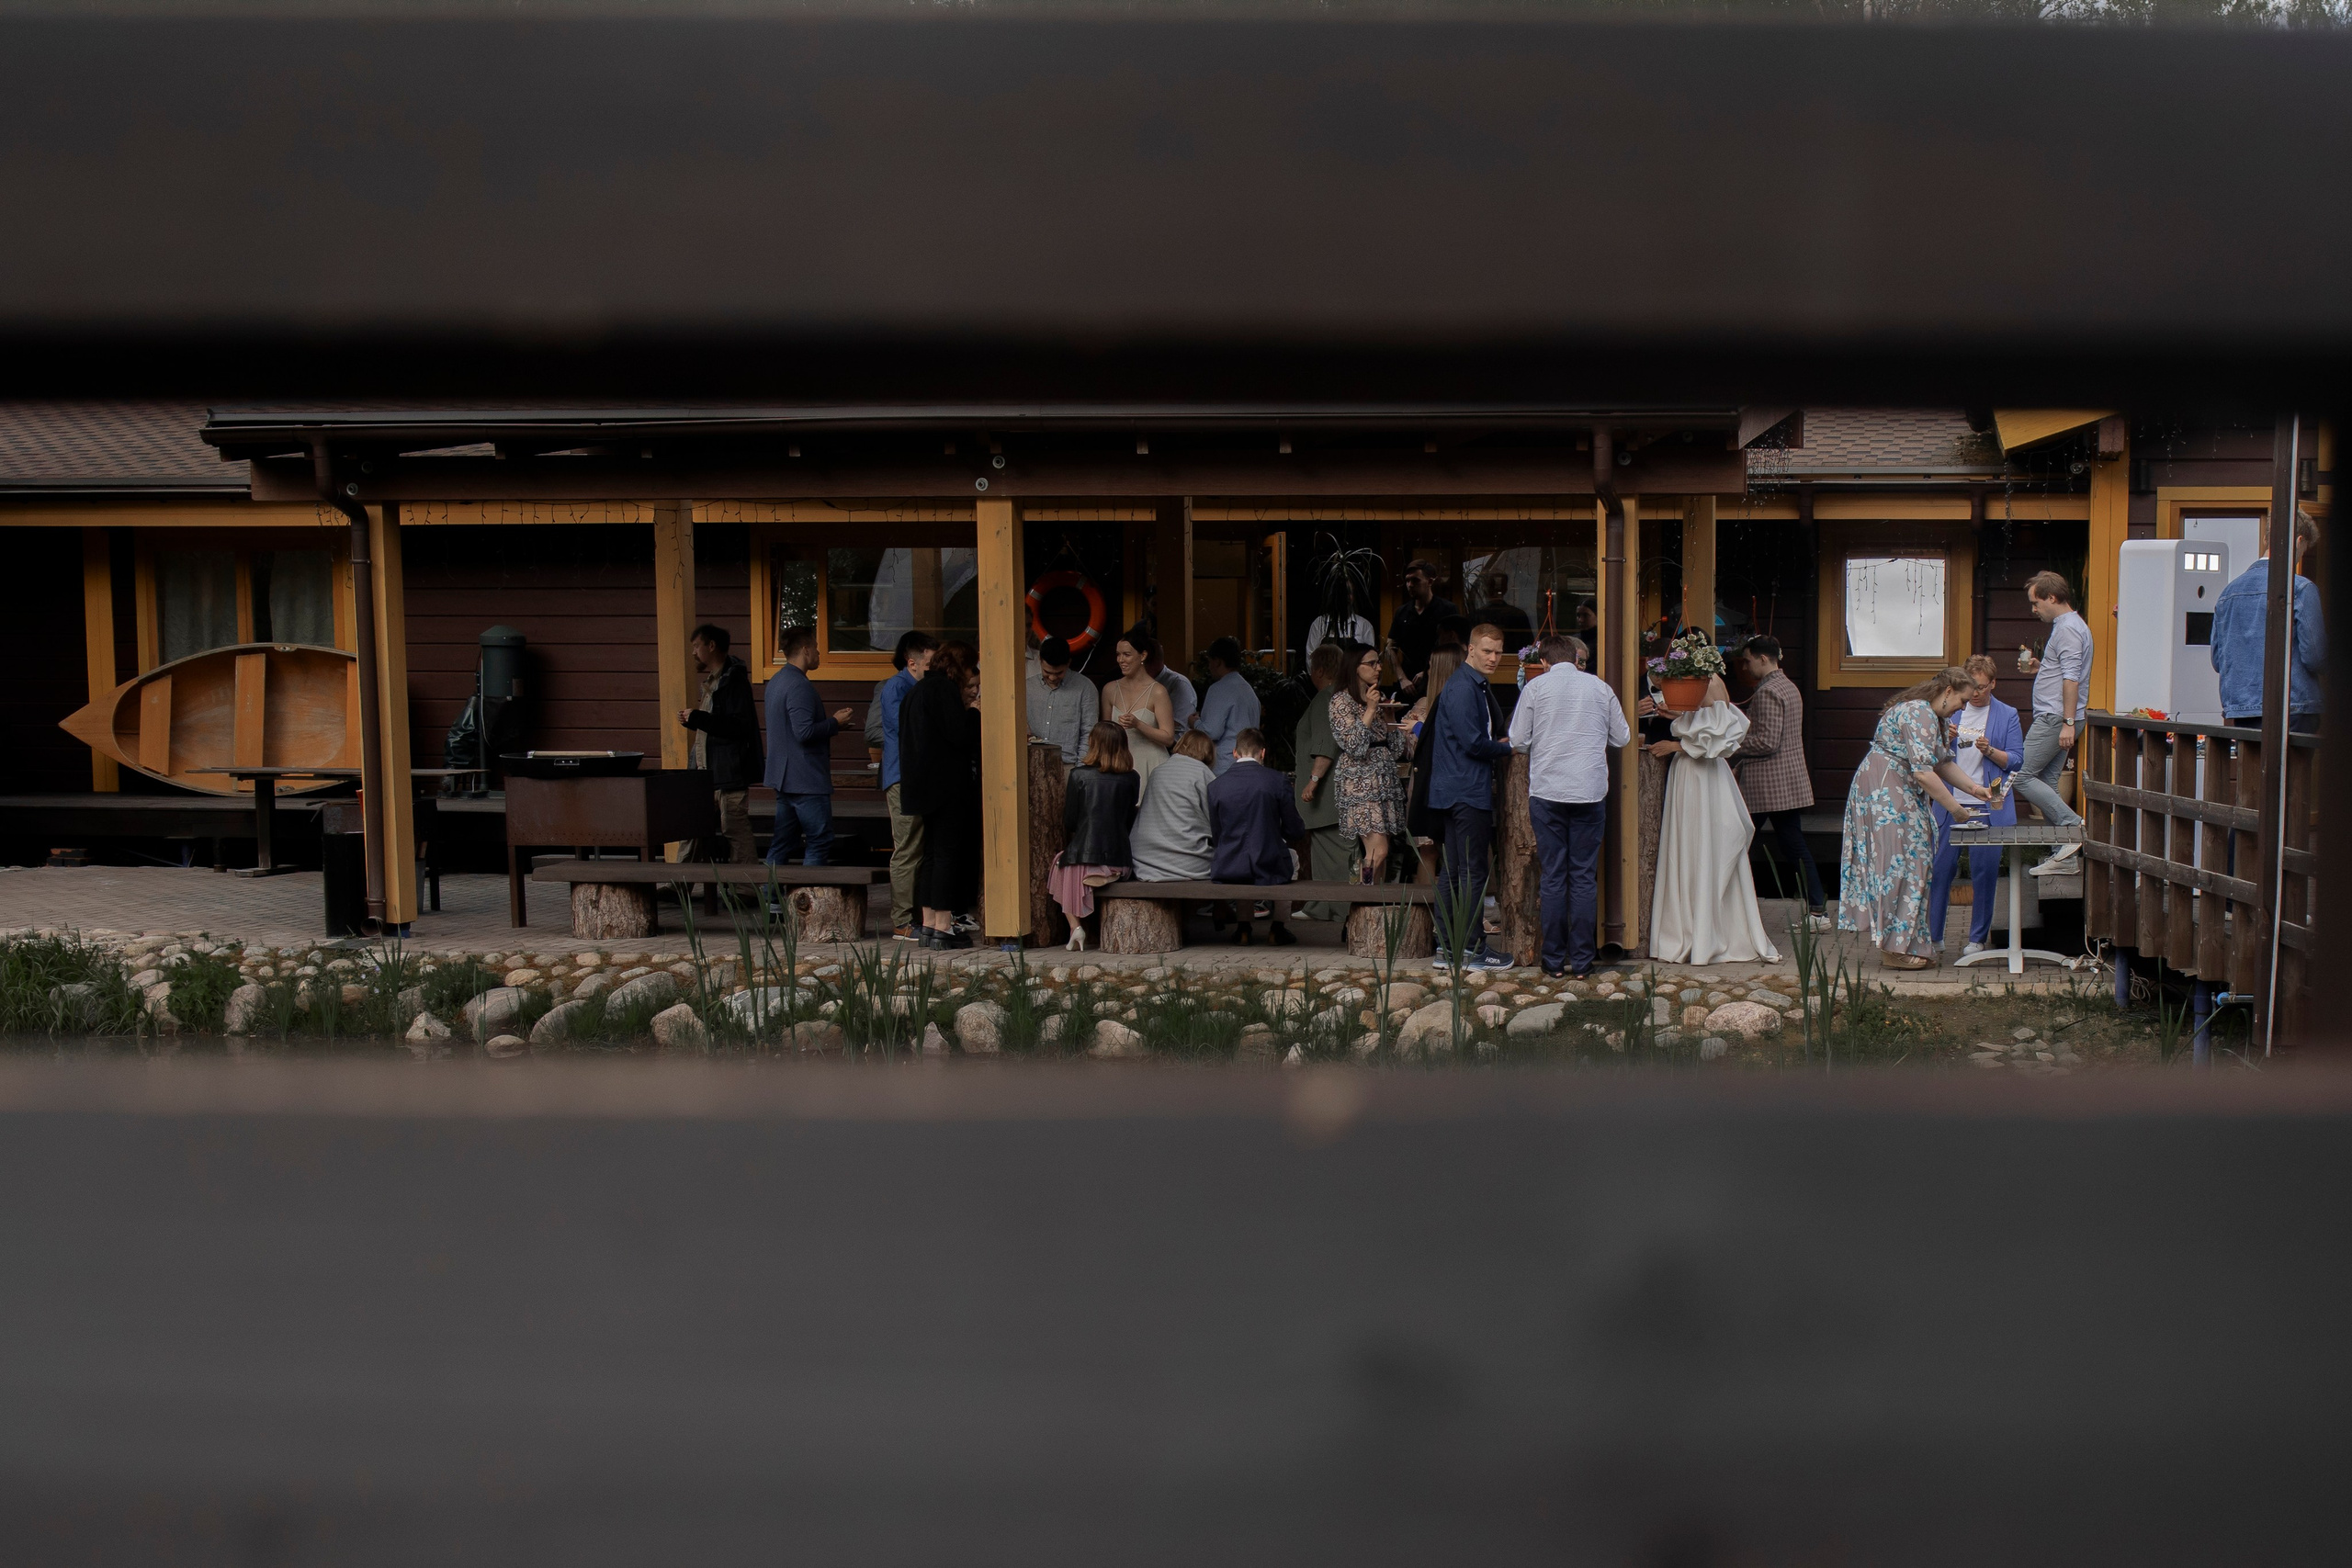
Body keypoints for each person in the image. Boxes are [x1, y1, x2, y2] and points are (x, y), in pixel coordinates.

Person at [1838, 667, 1996, 970]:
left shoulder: (1935, 716)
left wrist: (1976, 790)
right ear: (1948, 691)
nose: (1965, 706)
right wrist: (1955, 809)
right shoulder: (1918, 712)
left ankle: (1905, 943)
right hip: (1885, 790)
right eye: (1963, 700)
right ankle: (1893, 949)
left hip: (1898, 787)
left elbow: (1942, 763)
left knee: (1916, 861)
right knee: (1899, 864)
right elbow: (1924, 772)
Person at [1509, 634, 1628, 978]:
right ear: (1576, 658)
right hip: (1589, 793)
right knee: (1583, 877)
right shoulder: (1600, 688)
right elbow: (1621, 737)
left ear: (1543, 662)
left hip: (1548, 792)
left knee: (1554, 877)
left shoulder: (1535, 689)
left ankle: (1552, 961)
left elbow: (1518, 740)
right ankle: (1583, 961)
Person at [1644, 672, 1781, 965]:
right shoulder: (1695, 683)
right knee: (1693, 845)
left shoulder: (1708, 681)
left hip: (1700, 774)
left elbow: (1717, 737)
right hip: (1694, 775)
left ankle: (1703, 933)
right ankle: (1694, 928)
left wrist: (1677, 746)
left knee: (1704, 844)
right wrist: (1675, 714)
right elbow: (1704, 723)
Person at [1424, 624, 1516, 970]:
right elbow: (1473, 743)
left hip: (1456, 789)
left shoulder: (1470, 683)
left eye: (1498, 651)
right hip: (1465, 790)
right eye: (1487, 651)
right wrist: (1508, 749)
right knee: (1470, 873)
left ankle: (1448, 948)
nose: (1493, 658)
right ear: (1470, 649)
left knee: (1454, 872)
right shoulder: (1464, 687)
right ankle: (1473, 949)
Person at [1724, 635, 1829, 931]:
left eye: (1747, 661)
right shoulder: (1788, 687)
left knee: (1738, 841)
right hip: (1786, 781)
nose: (1745, 667)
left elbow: (1767, 742)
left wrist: (1730, 747)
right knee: (1791, 844)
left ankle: (1727, 908)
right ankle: (1818, 910)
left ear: (1762, 659)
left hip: (1769, 784)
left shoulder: (1767, 692)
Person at [1928, 654, 2024, 957]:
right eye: (1972, 687)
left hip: (1989, 804)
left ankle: (1977, 939)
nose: (1976, 693)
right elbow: (1928, 757)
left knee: (1985, 873)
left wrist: (1990, 750)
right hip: (1949, 802)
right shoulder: (1950, 710)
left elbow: (2017, 760)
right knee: (1941, 869)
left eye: (1982, 687)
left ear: (1993, 684)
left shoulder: (2007, 714)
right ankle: (1933, 936)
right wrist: (1946, 737)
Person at [899, 641, 982, 949]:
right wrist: (975, 713)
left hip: (919, 786)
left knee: (931, 855)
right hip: (946, 785)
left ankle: (929, 923)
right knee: (947, 854)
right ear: (960, 667)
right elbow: (959, 734)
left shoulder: (916, 691)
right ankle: (945, 926)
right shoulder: (944, 690)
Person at [2213, 507, 2324, 733]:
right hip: (2294, 708)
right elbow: (2316, 656)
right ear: (2298, 541)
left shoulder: (2227, 593)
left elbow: (2217, 660)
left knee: (2254, 769)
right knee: (2292, 769)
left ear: (2266, 538)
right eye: (2303, 549)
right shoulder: (2301, 589)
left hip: (2242, 710)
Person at [2011, 570, 2091, 874]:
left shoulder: (2068, 629)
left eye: (2035, 602)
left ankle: (2072, 825)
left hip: (2056, 718)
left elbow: (2072, 678)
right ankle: (2064, 855)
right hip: (2059, 716)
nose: (2034, 609)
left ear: (2052, 598)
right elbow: (2065, 671)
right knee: (2045, 782)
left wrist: (2068, 722)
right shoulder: (2070, 626)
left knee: (2019, 774)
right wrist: (2041, 668)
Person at [861, 630, 934, 940]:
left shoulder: (919, 686)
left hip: (919, 777)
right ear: (912, 662)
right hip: (902, 777)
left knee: (920, 848)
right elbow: (903, 732)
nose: (934, 668)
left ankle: (919, 916)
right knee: (906, 849)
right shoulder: (895, 688)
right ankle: (902, 921)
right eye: (930, 663)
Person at [763, 626, 852, 867]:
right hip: (806, 778)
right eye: (815, 647)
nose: (819, 652)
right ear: (805, 649)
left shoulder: (776, 681)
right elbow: (803, 732)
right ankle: (810, 902)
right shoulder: (799, 685)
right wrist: (835, 722)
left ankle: (771, 899)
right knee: (819, 840)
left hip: (783, 776)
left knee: (782, 842)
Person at [1206, 727, 1305, 946]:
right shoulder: (1277, 781)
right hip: (1268, 862)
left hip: (1230, 864)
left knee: (1243, 862)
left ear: (1235, 753)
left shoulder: (1215, 786)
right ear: (1262, 753)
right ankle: (1278, 927)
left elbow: (1218, 833)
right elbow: (1294, 829)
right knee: (1293, 858)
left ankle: (1243, 928)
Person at [675, 623, 762, 866]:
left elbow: (736, 726)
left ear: (711, 646)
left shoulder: (732, 681)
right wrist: (694, 721)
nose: (693, 652)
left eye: (696, 646)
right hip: (706, 772)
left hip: (729, 772)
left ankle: (746, 887)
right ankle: (680, 884)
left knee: (734, 828)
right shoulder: (715, 681)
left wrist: (699, 718)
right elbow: (717, 726)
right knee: (692, 827)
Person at [1049, 721, 1140, 951]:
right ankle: (1108, 872)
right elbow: (1129, 819)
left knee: (1060, 864)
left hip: (1083, 852)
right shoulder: (1132, 777)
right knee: (1077, 863)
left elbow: (1070, 820)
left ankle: (1075, 926)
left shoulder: (1078, 775)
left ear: (1094, 744)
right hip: (1120, 853)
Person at [1329, 641, 1408, 883]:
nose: (1378, 668)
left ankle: (1374, 905)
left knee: (1380, 851)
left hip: (1384, 781)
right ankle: (1360, 892)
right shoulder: (1340, 701)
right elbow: (1354, 745)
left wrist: (1390, 716)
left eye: (1379, 662)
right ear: (1355, 667)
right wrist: (1371, 709)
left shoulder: (1379, 697)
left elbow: (1395, 749)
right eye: (1371, 663)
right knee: (1379, 850)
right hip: (1360, 782)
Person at [1291, 640, 1353, 919]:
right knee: (1326, 849)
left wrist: (1313, 781)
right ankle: (1322, 905)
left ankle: (1341, 906)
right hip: (1338, 791)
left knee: (1337, 850)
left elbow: (1325, 743)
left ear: (1318, 670)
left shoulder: (1325, 698)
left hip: (1328, 793)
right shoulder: (1343, 696)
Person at [1131, 728, 1217, 883]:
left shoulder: (1158, 771)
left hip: (1145, 861)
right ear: (1208, 752)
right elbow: (1216, 822)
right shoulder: (1203, 774)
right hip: (1189, 863)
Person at [1102, 632, 1179, 791]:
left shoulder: (1158, 691)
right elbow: (1105, 733)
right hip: (1120, 763)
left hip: (1151, 762)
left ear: (1143, 655)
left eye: (1127, 655)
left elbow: (1168, 738)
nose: (1120, 660)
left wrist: (1138, 724)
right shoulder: (1110, 689)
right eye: (1118, 655)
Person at [1387, 558, 1459, 699]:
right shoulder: (1402, 612)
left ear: (1430, 581)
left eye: (1415, 580)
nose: (1410, 585)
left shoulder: (1447, 610)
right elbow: (1390, 648)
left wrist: (1428, 672)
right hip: (1408, 684)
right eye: (1407, 581)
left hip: (1438, 681)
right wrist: (1402, 678)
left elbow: (1455, 647)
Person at [1193, 636, 1261, 775]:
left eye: (1210, 661)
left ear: (1217, 661)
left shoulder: (1219, 688)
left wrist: (1195, 722)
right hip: (1251, 764)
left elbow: (1211, 731)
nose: (1209, 666)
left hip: (1225, 766)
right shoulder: (1249, 690)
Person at [1026, 635, 1097, 767]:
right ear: (1040, 661)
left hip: (1067, 765)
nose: (1052, 677)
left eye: (1059, 673)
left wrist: (1080, 770)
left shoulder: (1085, 687)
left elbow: (1089, 731)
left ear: (1068, 663)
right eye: (1047, 672)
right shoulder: (1027, 687)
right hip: (1030, 765)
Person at [1139, 632, 1200, 732]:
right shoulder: (1131, 683)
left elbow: (1176, 724)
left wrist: (1138, 724)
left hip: (1173, 745)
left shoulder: (1179, 684)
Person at [1305, 582, 1376, 657]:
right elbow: (1311, 657)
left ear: (1354, 596)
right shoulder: (1319, 624)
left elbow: (1370, 659)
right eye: (1341, 593)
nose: (1345, 597)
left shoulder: (1364, 626)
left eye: (1349, 592)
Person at [1471, 570, 1533, 648]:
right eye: (1492, 586)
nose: (1496, 591)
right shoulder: (1478, 615)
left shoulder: (1519, 615)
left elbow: (1527, 648)